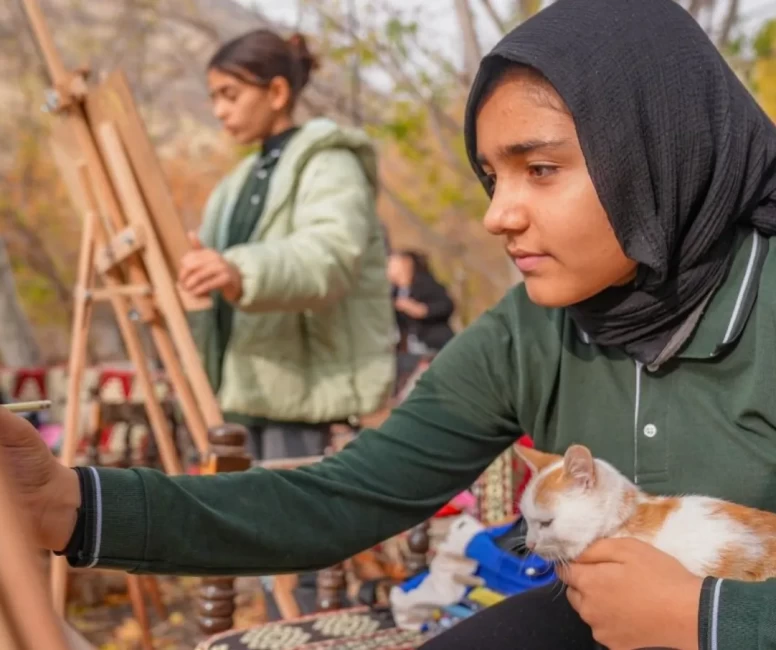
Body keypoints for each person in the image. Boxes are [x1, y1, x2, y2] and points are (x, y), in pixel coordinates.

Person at [3, 0, 776, 648]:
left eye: (539, 169)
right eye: (490, 175)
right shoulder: (532, 331)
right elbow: (342, 497)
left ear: (661, 149)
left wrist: (709, 618)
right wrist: (67, 502)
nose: (497, 215)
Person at [178, 29, 396, 461]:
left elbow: (329, 258)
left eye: (230, 94)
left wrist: (240, 271)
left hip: (306, 405)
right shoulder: (234, 184)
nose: (219, 110)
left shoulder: (330, 162)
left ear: (276, 92)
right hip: (242, 393)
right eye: (214, 97)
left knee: (290, 523)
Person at [387, 249, 456, 355]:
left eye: (391, 265)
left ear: (405, 264)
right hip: (409, 350)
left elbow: (447, 305)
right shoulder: (394, 292)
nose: (387, 269)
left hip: (435, 345)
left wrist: (422, 310)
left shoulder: (425, 284)